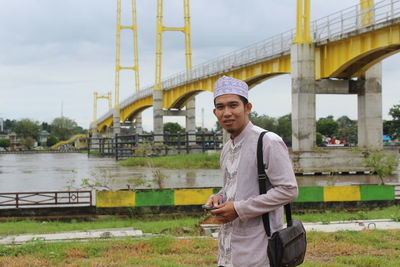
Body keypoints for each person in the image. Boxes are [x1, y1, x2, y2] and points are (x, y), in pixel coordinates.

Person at [205, 76, 298, 267]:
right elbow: (236, 188)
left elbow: (288, 190)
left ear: (247, 108)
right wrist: (218, 198)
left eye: (233, 105)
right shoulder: (227, 148)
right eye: (221, 107)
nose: (227, 112)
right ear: (215, 113)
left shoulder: (267, 141)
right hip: (228, 250)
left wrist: (239, 209)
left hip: (259, 250)